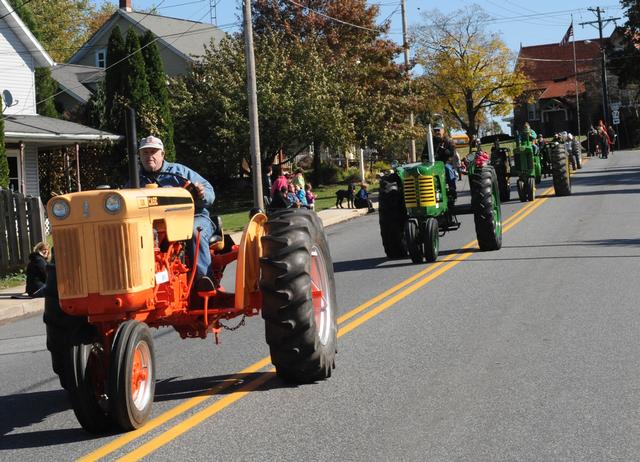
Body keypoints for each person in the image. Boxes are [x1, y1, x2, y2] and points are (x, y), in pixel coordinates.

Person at [133, 136, 216, 291]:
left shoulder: (180, 171)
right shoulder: (135, 180)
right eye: (145, 152)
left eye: (153, 151)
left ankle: (204, 280)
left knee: (193, 232)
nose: (149, 156)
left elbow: (209, 194)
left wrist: (201, 193)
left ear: (162, 154)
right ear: (139, 156)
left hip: (193, 218)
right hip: (154, 226)